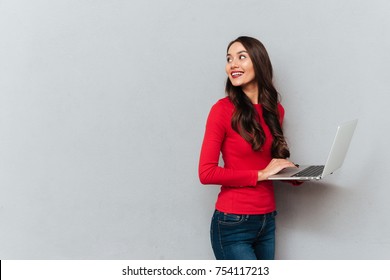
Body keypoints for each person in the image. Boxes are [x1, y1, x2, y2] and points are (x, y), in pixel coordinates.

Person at [198, 36, 298, 260]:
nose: (232, 64)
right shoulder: (222, 110)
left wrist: (294, 173)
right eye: (229, 58)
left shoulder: (275, 110)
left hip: (267, 221)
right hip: (233, 223)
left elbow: (266, 161)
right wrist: (261, 174)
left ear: (259, 62)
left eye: (241, 57)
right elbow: (206, 173)